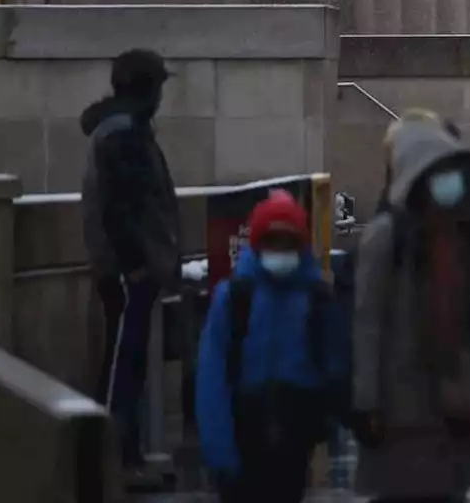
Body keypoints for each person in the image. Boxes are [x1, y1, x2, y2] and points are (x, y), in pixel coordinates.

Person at [352, 121, 470, 503]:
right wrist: (367, 402)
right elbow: (368, 322)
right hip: (402, 409)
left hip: (452, 405)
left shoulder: (460, 231)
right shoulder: (387, 234)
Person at [195, 191, 348, 503]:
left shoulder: (317, 298)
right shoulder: (237, 297)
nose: (280, 250)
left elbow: (335, 369)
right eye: (272, 240)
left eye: (288, 242)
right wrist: (221, 455)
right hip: (242, 441)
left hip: (295, 442)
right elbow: (212, 380)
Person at [81, 48, 180, 487]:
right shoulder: (122, 135)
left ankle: (127, 456)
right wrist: (137, 264)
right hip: (127, 272)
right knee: (123, 367)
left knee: (131, 365)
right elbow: (122, 208)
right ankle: (110, 460)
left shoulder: (127, 130)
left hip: (133, 269)